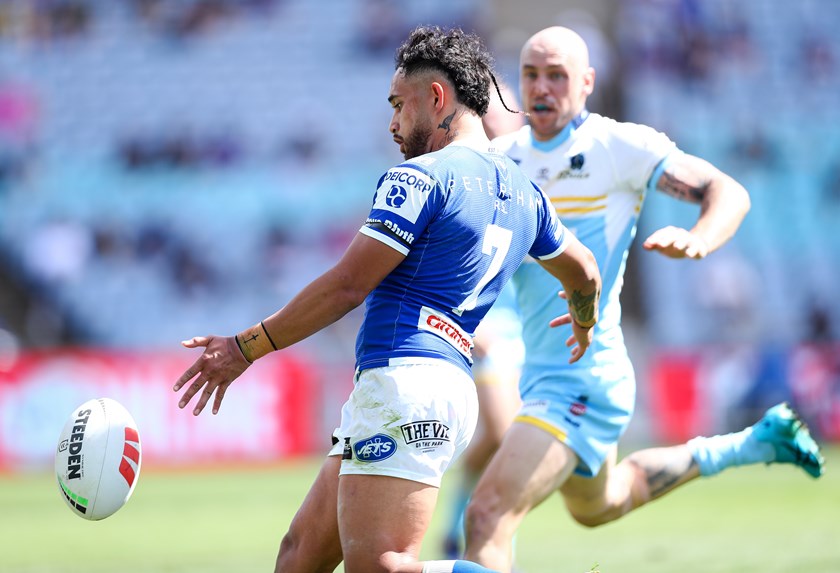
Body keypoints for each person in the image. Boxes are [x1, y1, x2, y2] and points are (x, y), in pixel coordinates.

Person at [172, 26, 602, 573]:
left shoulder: (420, 178)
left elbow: (349, 285)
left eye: (399, 105)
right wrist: (583, 322)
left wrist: (245, 347)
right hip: (437, 383)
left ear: (437, 98)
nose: (393, 124)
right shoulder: (526, 194)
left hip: (405, 381)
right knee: (299, 556)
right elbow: (583, 270)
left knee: (384, 566)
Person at [458, 26, 825, 572]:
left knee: (487, 518)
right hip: (544, 372)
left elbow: (729, 192)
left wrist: (700, 237)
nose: (542, 87)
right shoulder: (502, 160)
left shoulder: (617, 146)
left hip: (584, 375)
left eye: (557, 75)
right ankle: (750, 444)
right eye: (532, 74)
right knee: (600, 506)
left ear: (587, 83)